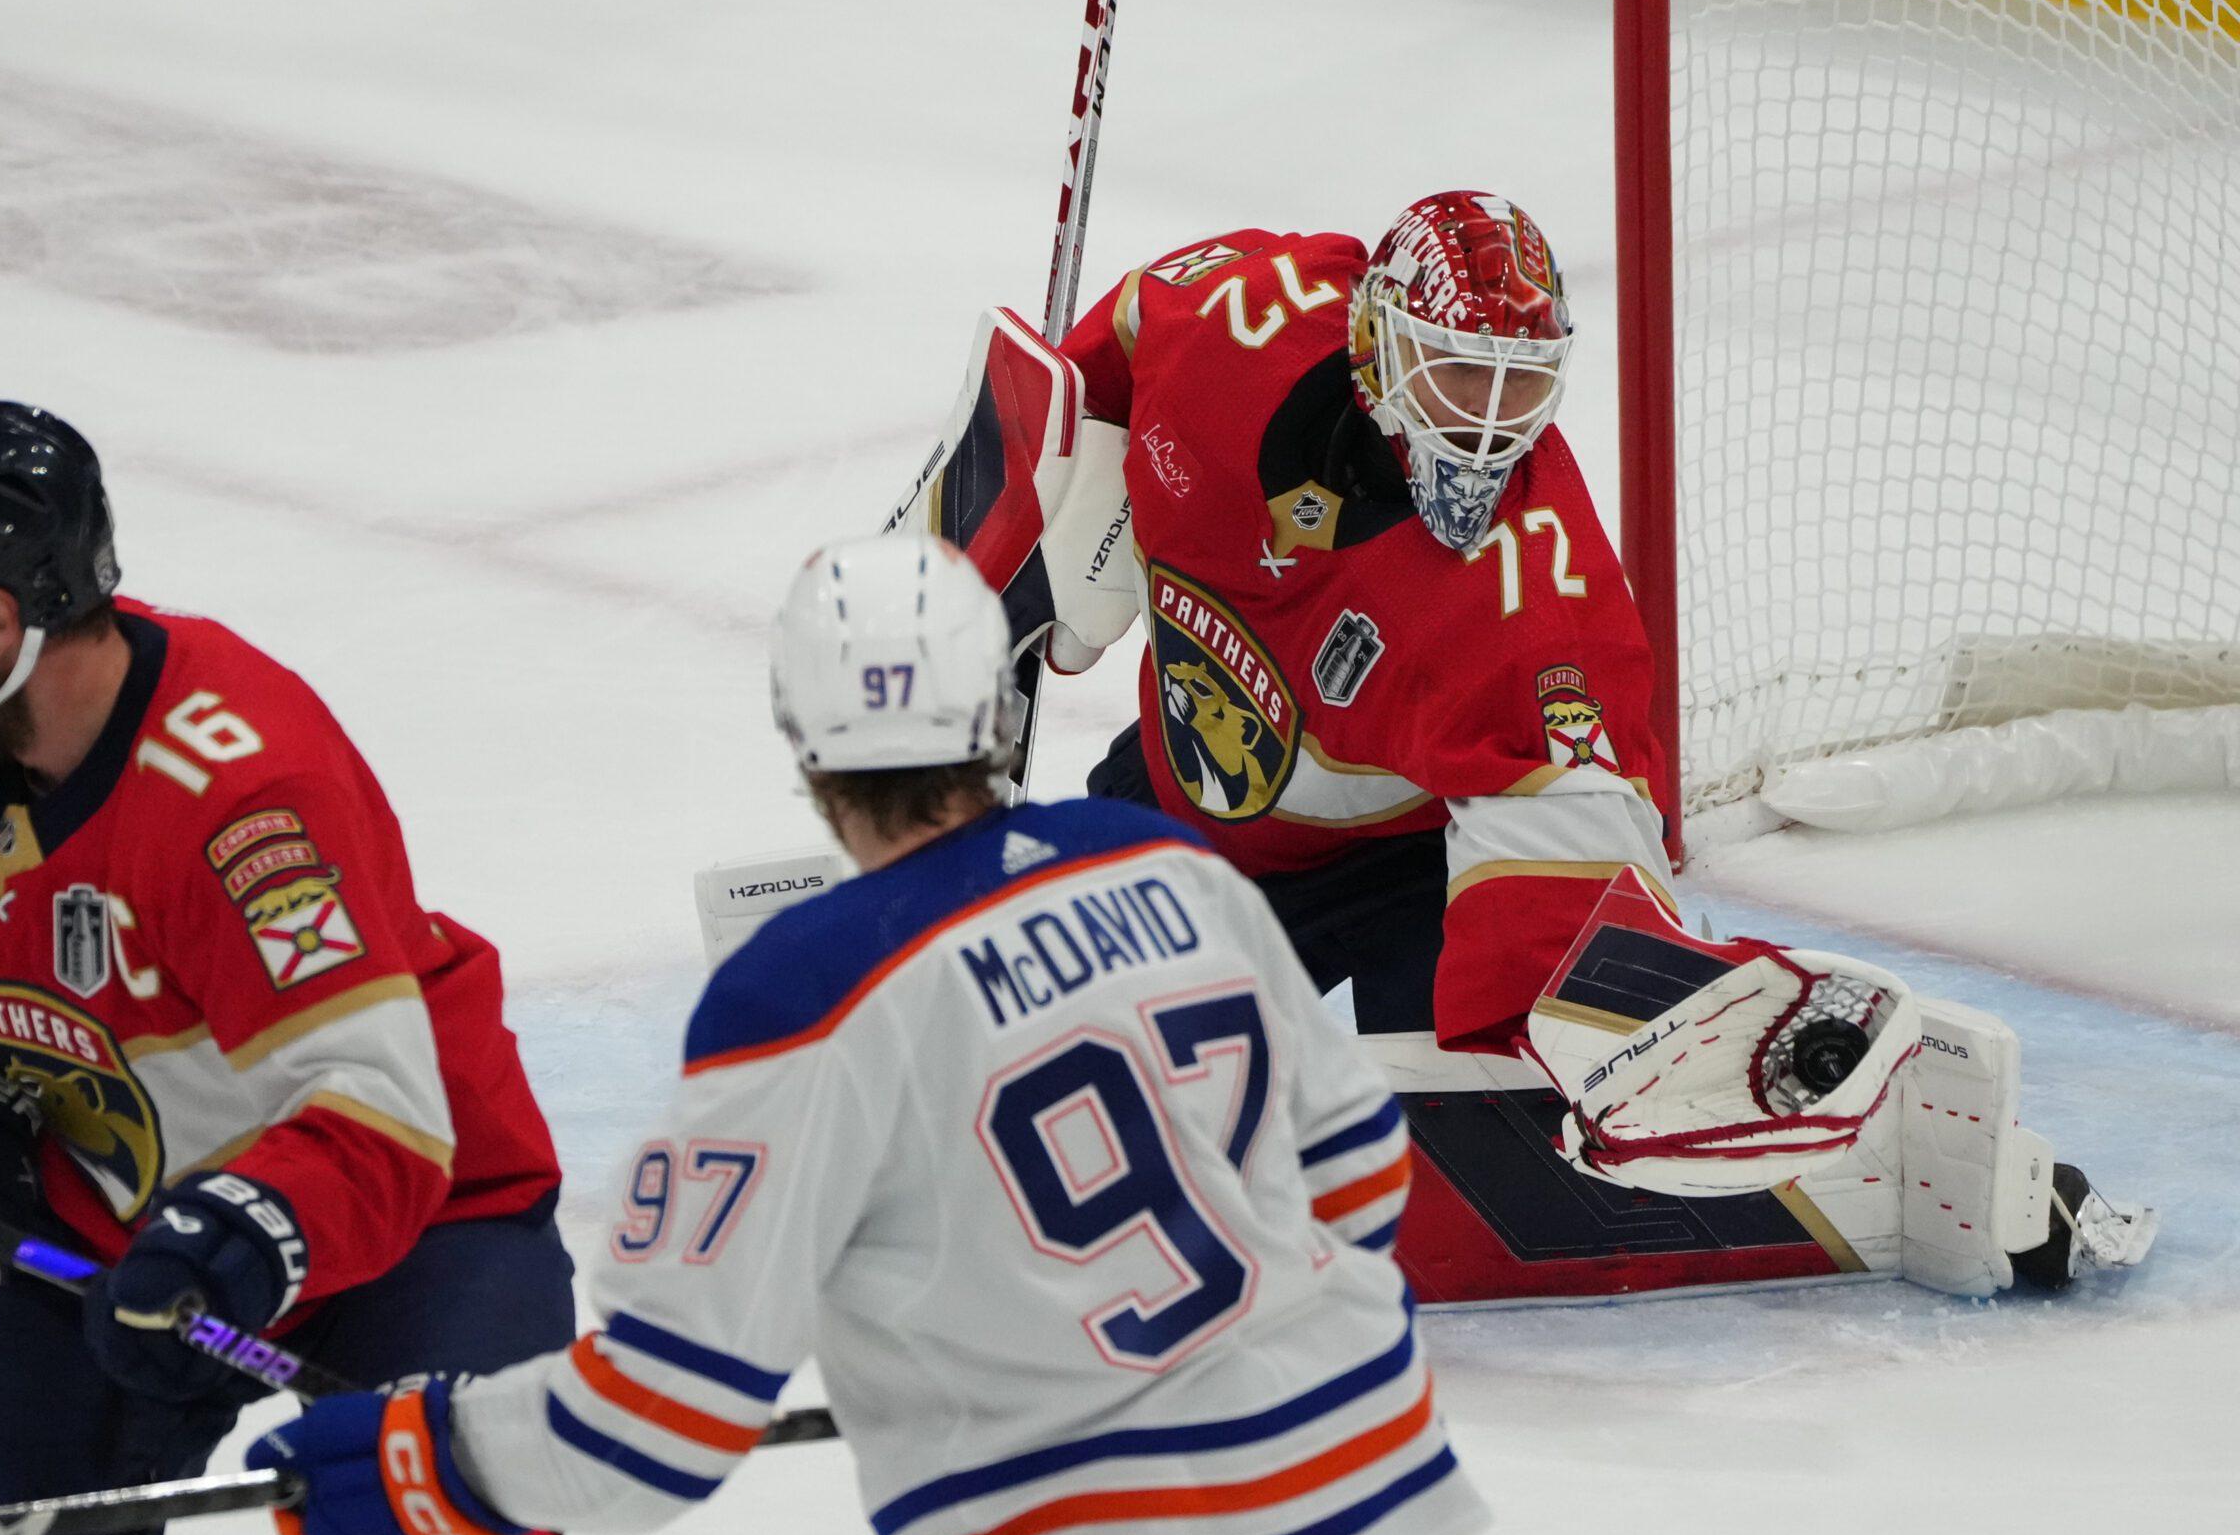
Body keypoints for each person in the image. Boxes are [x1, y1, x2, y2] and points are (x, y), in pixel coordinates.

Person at [248, 535, 1489, 1535]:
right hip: (1386, 1510)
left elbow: (660, 1423)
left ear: (803, 742)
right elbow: (1361, 1170)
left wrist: (421, 1461)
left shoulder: (802, 993)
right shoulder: (1159, 857)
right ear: (995, 709)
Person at [920, 191, 2149, 1300]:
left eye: (1523, 384)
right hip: (1203, 808)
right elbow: (1100, 363)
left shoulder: (1534, 607)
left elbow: (1575, 875)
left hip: (1415, 875)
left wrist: (1619, 1030)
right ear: (1374, 343)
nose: (1491, 423)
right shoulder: (1235, 318)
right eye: (1460, 377)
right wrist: (1016, 530)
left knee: (1481, 1111)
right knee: (1019, 1048)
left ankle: (1878, 1134)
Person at [0, 402, 605, 1535]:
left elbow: (382, 1112)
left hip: (413, 1215)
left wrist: (235, 1241)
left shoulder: (244, 795)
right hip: (118, 1233)